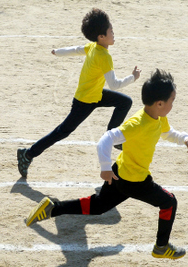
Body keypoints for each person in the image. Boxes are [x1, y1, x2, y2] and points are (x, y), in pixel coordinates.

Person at [25, 69, 188, 260]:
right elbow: (106, 139)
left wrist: (184, 139)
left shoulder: (158, 117)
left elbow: (167, 132)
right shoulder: (138, 123)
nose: (173, 104)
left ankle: (52, 208)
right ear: (159, 103)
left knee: (98, 206)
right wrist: (105, 167)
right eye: (172, 101)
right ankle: (161, 246)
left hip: (121, 172)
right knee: (169, 202)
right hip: (135, 180)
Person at [17, 8, 141, 178]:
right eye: (111, 31)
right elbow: (114, 84)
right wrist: (133, 77)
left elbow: (75, 49)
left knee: (125, 102)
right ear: (101, 37)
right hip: (85, 101)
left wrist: (58, 52)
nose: (114, 33)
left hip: (95, 94)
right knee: (62, 131)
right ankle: (28, 154)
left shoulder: (93, 46)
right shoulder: (104, 56)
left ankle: (113, 137)